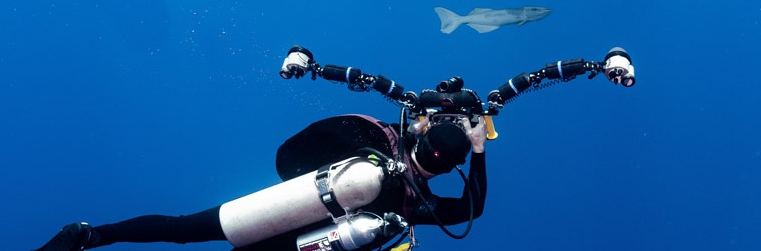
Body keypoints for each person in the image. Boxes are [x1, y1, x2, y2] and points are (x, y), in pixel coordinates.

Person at [32, 113, 489, 251]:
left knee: (181, 229)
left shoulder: (375, 140)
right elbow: (474, 208)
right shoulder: (417, 205)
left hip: (275, 208)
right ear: (449, 168)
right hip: (295, 247)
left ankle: (89, 236)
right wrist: (480, 151)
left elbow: (293, 150)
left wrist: (409, 124)